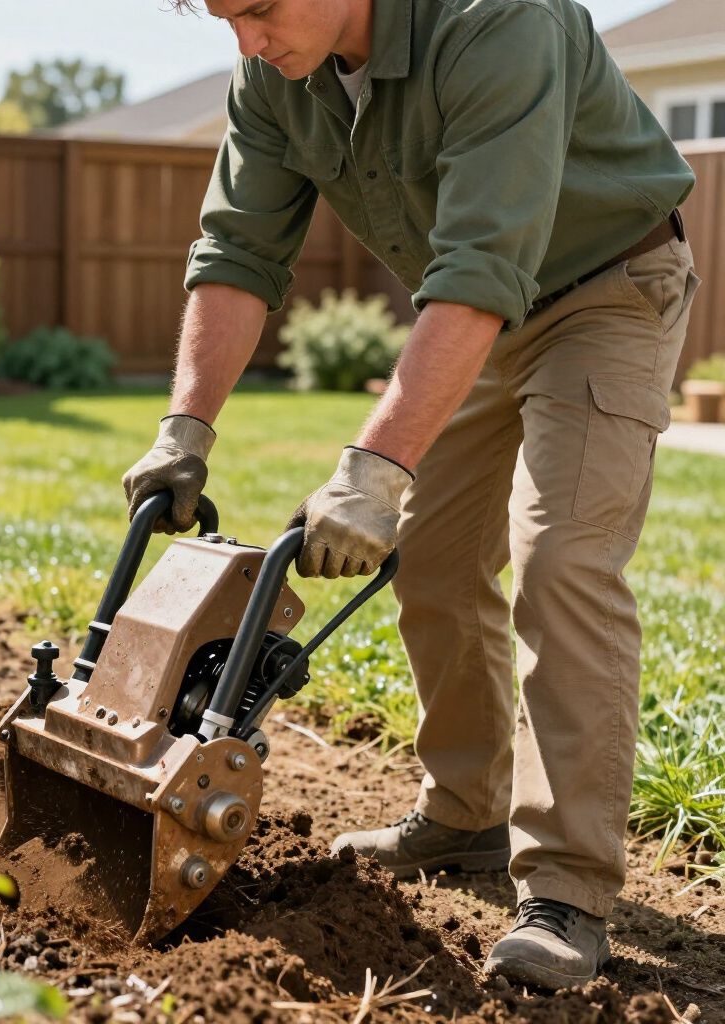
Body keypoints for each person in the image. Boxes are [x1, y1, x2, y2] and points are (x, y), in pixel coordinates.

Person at [121, 0, 700, 990]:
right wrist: (185, 428)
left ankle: (566, 890)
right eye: (225, 17)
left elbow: (481, 258)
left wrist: (376, 466)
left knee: (561, 561)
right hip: (484, 317)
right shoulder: (274, 77)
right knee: (431, 559)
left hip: (605, 288)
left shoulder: (497, 19)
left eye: (258, 9)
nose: (247, 42)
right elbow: (237, 253)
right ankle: (467, 813)